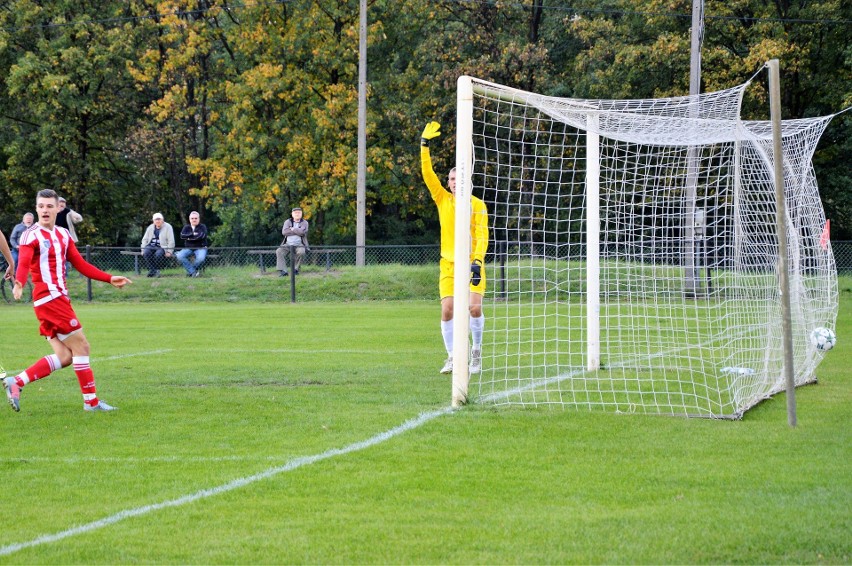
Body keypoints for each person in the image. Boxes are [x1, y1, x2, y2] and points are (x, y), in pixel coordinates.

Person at [4, 189, 132, 413]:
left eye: (49, 206)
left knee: (65, 357)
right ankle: (91, 403)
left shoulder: (63, 234)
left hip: (57, 299)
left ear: (57, 208)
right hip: (49, 299)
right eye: (41, 206)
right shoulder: (30, 235)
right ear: (36, 209)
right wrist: (19, 283)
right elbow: (23, 262)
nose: (45, 210)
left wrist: (109, 278)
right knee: (82, 345)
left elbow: (81, 264)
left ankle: (18, 382)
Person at [420, 121, 489, 375]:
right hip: (448, 264)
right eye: (450, 178)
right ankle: (451, 356)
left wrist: (478, 261)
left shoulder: (478, 204)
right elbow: (428, 174)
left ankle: (477, 351)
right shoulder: (442, 199)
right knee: (447, 309)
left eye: (457, 178)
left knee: (474, 307)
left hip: (472, 263)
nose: (452, 181)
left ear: (465, 180)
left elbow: (483, 235)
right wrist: (424, 146)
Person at [276, 207, 310, 276]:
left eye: (299, 213)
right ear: (292, 214)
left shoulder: (305, 222)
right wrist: (298, 230)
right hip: (288, 244)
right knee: (279, 251)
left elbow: (302, 233)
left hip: (300, 244)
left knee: (301, 252)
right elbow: (284, 232)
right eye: (295, 213)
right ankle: (283, 271)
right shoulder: (287, 221)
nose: (297, 214)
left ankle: (296, 269)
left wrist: (292, 229)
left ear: (301, 214)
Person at [140, 213, 175, 277]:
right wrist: (142, 249)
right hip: (151, 246)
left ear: (163, 220)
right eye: (156, 220)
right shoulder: (150, 227)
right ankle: (153, 271)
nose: (158, 221)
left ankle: (154, 270)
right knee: (146, 252)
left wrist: (169, 251)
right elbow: (144, 239)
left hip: (162, 246)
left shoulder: (168, 227)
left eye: (159, 219)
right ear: (153, 221)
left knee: (158, 255)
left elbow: (171, 240)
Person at [176, 211, 209, 277]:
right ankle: (193, 272)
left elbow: (201, 236)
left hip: (201, 248)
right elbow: (182, 236)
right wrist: (193, 235)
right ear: (189, 219)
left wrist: (188, 237)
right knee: (179, 255)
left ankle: (191, 272)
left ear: (199, 219)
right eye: (192, 218)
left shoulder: (202, 227)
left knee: (201, 259)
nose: (194, 220)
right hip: (189, 248)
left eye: (196, 218)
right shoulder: (186, 227)